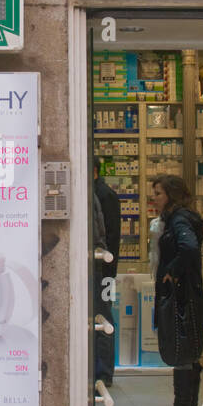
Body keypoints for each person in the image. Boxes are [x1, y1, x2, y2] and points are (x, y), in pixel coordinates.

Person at [149, 174, 203, 406]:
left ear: (171, 195)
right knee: (186, 350)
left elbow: (189, 247)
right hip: (186, 294)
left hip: (182, 297)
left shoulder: (179, 219)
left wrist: (170, 272)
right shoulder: (179, 218)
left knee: (182, 349)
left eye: (158, 194)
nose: (154, 198)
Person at [93, 158, 121, 389]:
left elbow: (109, 238)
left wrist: (106, 270)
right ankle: (99, 370)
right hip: (102, 269)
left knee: (103, 317)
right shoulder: (96, 193)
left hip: (104, 269)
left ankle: (104, 373)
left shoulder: (104, 195)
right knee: (99, 317)